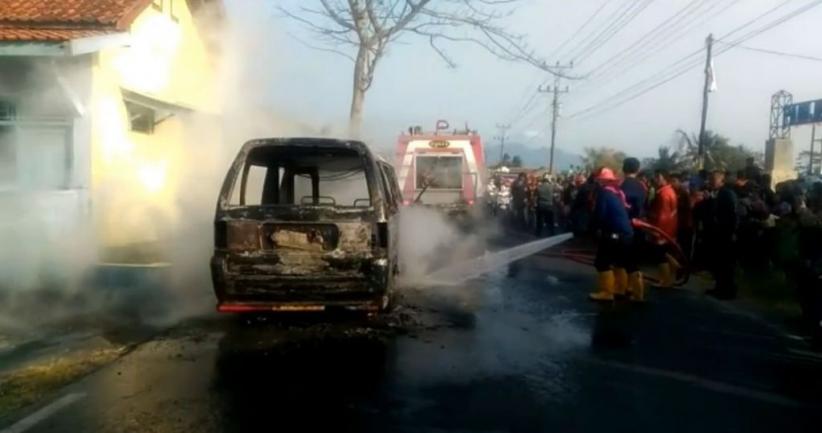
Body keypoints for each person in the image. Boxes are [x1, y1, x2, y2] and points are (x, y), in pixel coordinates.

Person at [590, 168, 638, 302]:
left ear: (602, 181)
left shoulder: (604, 193)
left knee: (601, 262)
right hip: (626, 232)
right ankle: (620, 290)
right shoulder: (617, 192)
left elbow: (600, 214)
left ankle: (607, 292)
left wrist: (593, 228)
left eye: (599, 180)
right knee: (620, 262)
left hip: (614, 232)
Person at [703, 170, 739, 299]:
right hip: (718, 232)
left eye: (714, 179)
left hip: (726, 233)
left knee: (726, 263)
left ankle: (728, 291)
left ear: (721, 180)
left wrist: (733, 232)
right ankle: (719, 287)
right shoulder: (716, 194)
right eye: (710, 179)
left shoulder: (727, 194)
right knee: (718, 262)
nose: (711, 181)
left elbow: (734, 215)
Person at [618, 157, 646, 297]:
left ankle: (623, 289)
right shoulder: (641, 186)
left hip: (624, 226)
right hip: (639, 225)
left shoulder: (621, 186)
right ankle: (634, 290)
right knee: (633, 260)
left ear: (623, 168)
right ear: (638, 169)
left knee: (622, 260)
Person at [648, 169, 679, 288]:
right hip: (670, 228)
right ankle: (673, 268)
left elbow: (662, 215)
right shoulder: (670, 191)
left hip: (662, 229)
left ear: (665, 178)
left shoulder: (663, 194)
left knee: (659, 254)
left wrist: (657, 231)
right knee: (665, 252)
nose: (655, 179)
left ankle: (665, 280)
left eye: (658, 177)